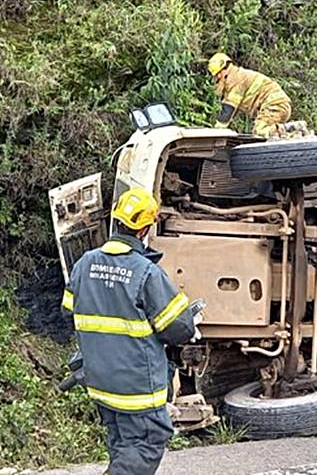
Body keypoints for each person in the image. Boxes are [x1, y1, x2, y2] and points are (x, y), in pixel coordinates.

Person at [61, 187, 199, 475]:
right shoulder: (146, 272)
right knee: (147, 444)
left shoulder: (85, 263)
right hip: (136, 387)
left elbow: (69, 310)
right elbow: (179, 328)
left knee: (123, 446)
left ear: (116, 221)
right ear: (145, 228)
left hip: (101, 382)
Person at [207, 52, 293, 138]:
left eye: (217, 75)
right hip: (278, 105)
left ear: (224, 70)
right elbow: (233, 112)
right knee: (267, 134)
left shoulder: (235, 80)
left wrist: (216, 133)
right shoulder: (239, 75)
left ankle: (290, 129)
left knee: (260, 131)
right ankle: (292, 130)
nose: (217, 79)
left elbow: (228, 110)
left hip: (275, 105)